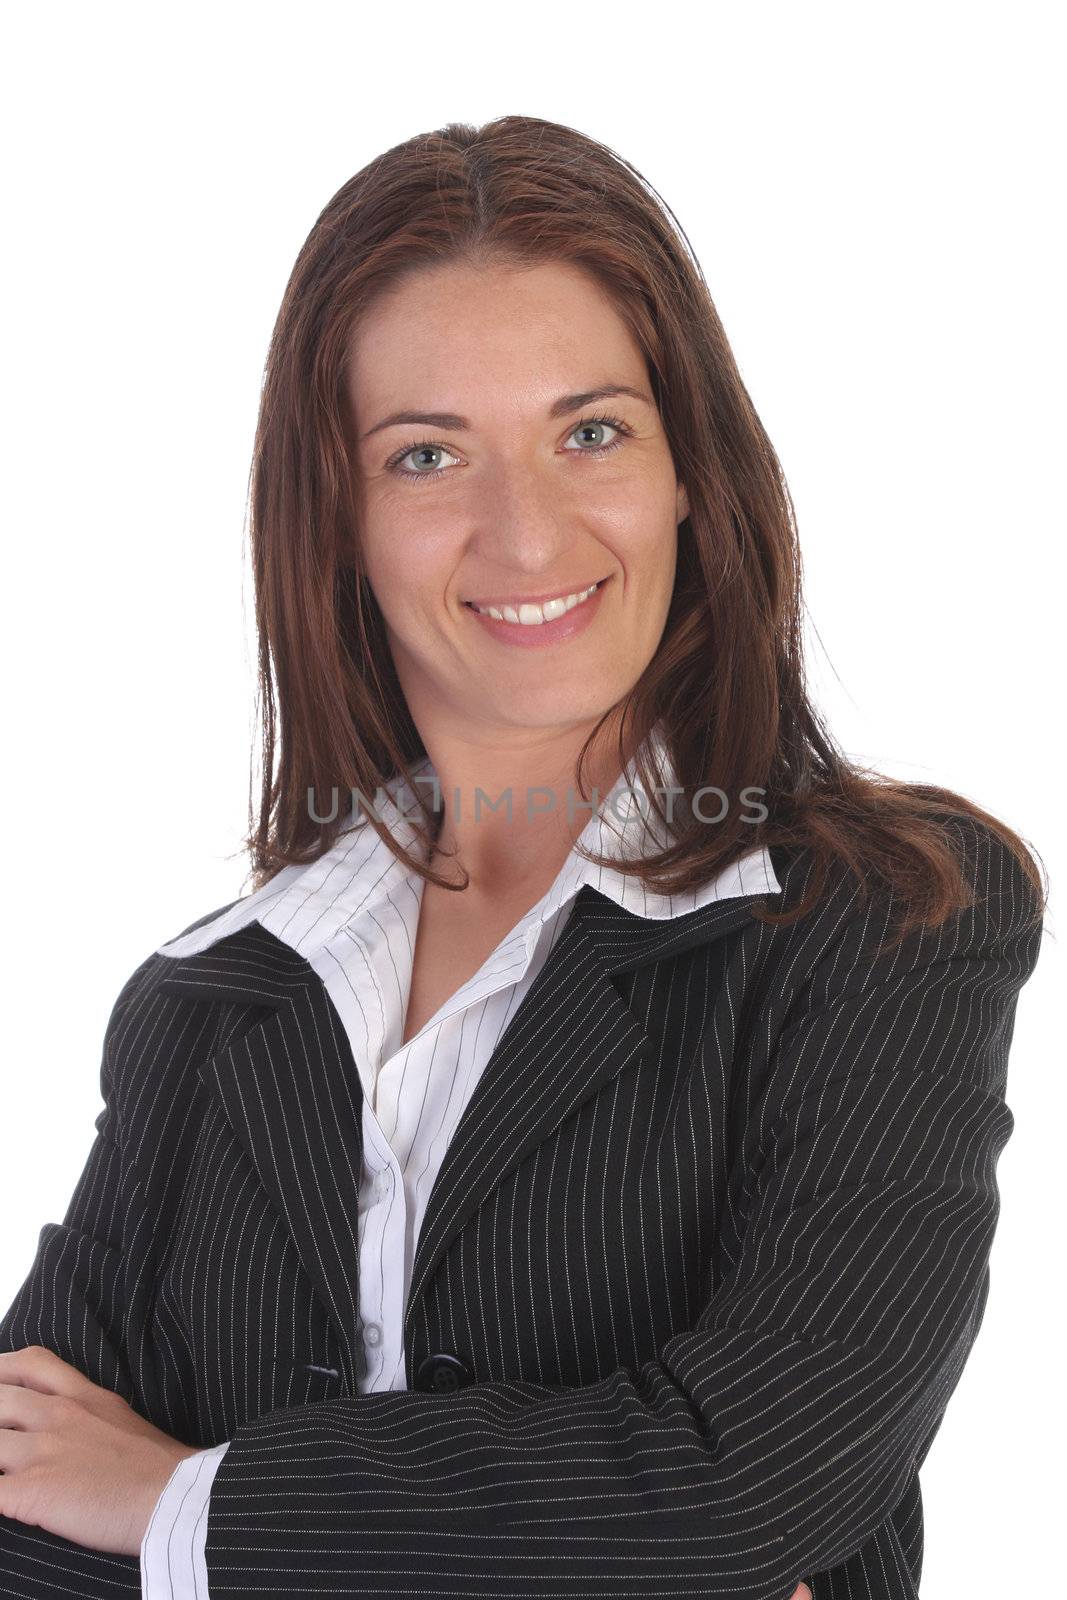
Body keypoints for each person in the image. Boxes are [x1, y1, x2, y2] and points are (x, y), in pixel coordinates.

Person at [0, 114, 1046, 1600]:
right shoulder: (209, 1007)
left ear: (692, 469)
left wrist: (183, 1503)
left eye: (592, 432)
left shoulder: (882, 916)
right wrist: (579, 1547)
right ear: (340, 521)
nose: (527, 529)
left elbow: (745, 1490)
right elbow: (16, 1509)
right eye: (427, 455)